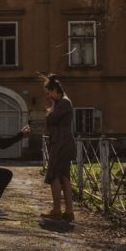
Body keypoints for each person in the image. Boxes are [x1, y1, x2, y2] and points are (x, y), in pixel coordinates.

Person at [41, 74, 75, 222]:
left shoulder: (63, 103)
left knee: (54, 175)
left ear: (55, 89)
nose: (48, 97)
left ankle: (57, 210)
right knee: (63, 176)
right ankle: (68, 211)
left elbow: (51, 119)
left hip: (61, 142)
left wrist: (51, 109)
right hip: (63, 141)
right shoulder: (63, 102)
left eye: (49, 93)